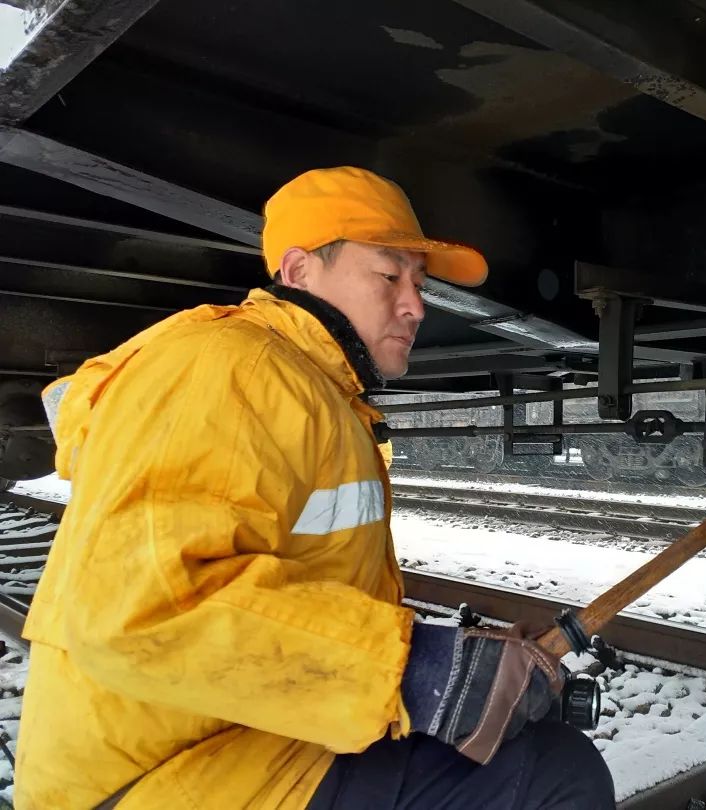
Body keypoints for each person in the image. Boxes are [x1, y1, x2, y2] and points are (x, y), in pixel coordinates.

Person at [15, 167, 615, 809]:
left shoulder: (309, 388)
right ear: (300, 272)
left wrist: (451, 658)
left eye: (419, 281)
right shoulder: (227, 367)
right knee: (555, 774)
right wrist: (417, 671)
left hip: (236, 737)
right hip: (162, 779)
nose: (416, 304)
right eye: (390, 276)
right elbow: (148, 609)